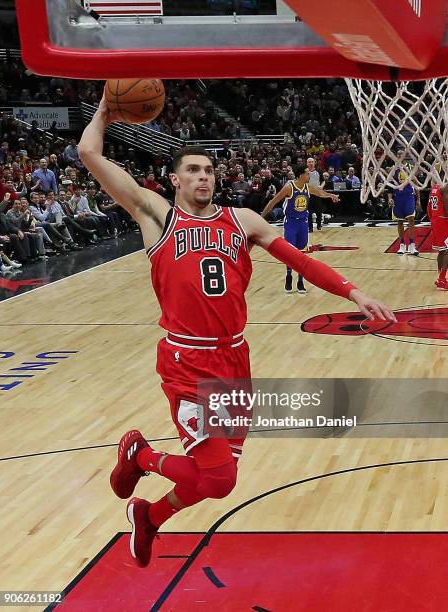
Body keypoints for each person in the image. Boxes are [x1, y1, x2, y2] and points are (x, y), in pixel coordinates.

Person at [78, 97, 396, 568]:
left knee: (212, 480)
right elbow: (89, 154)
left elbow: (300, 261)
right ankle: (141, 456)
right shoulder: (158, 217)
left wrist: (353, 293)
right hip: (187, 362)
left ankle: (150, 518)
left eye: (209, 169)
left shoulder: (242, 221)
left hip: (235, 360)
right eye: (193, 169)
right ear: (175, 179)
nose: (204, 176)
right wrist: (106, 106)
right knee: (220, 480)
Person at [261, 164, 340, 294]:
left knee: (302, 253)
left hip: (303, 223)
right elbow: (273, 202)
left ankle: (300, 281)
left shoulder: (307, 187)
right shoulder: (289, 188)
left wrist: (331, 195)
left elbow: (320, 193)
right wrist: (261, 216)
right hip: (291, 223)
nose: (309, 175)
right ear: (301, 175)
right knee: (290, 253)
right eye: (307, 173)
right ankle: (288, 276)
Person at [387, 149, 421, 255]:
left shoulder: (409, 168)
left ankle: (412, 245)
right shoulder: (392, 170)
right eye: (397, 154)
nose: (399, 156)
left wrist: (418, 199)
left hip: (409, 197)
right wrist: (389, 198)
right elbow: (390, 186)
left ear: (404, 156)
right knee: (400, 221)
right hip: (398, 198)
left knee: (411, 219)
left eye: (401, 154)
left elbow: (415, 183)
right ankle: (402, 245)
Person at [427, 182, 448, 290]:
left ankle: (440, 277)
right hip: (443, 220)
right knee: (447, 251)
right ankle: (442, 279)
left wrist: (433, 220)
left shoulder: (435, 187)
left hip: (435, 219)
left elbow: (428, 208)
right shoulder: (446, 188)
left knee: (442, 251)